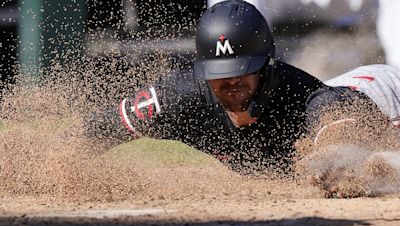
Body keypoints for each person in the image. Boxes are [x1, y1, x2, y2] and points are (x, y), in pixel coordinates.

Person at [86, 0, 399, 174]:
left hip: (381, 96)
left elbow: (338, 138)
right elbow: (100, 129)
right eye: (220, 73)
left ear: (266, 63)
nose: (232, 81)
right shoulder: (178, 96)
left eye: (243, 70)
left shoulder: (308, 100)